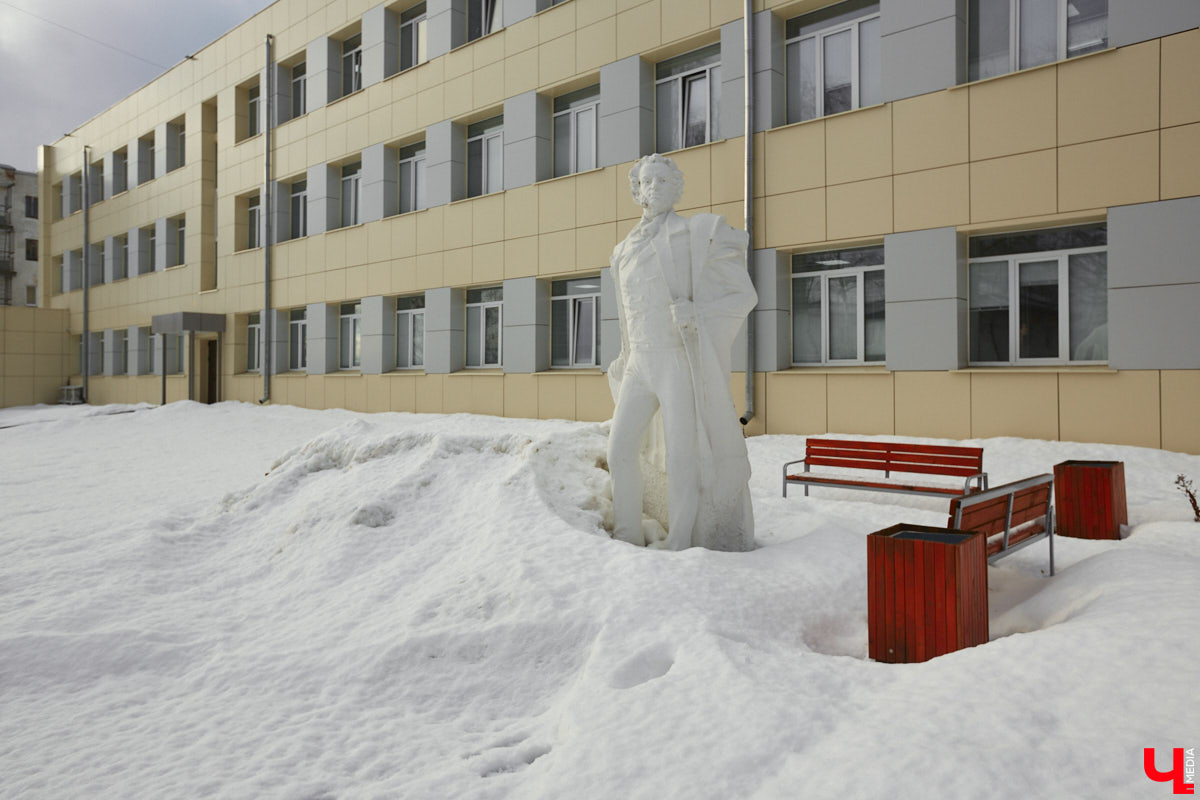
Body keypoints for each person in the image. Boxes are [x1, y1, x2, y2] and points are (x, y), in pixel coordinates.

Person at [606, 154, 757, 552]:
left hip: (676, 360)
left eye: (662, 181)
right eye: (647, 181)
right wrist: (624, 351)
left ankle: (682, 539)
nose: (653, 188)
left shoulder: (697, 234)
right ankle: (625, 533)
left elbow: (743, 295)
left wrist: (698, 313)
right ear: (636, 190)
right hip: (639, 362)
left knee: (682, 455)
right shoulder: (620, 252)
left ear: (675, 189)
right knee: (620, 449)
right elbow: (627, 311)